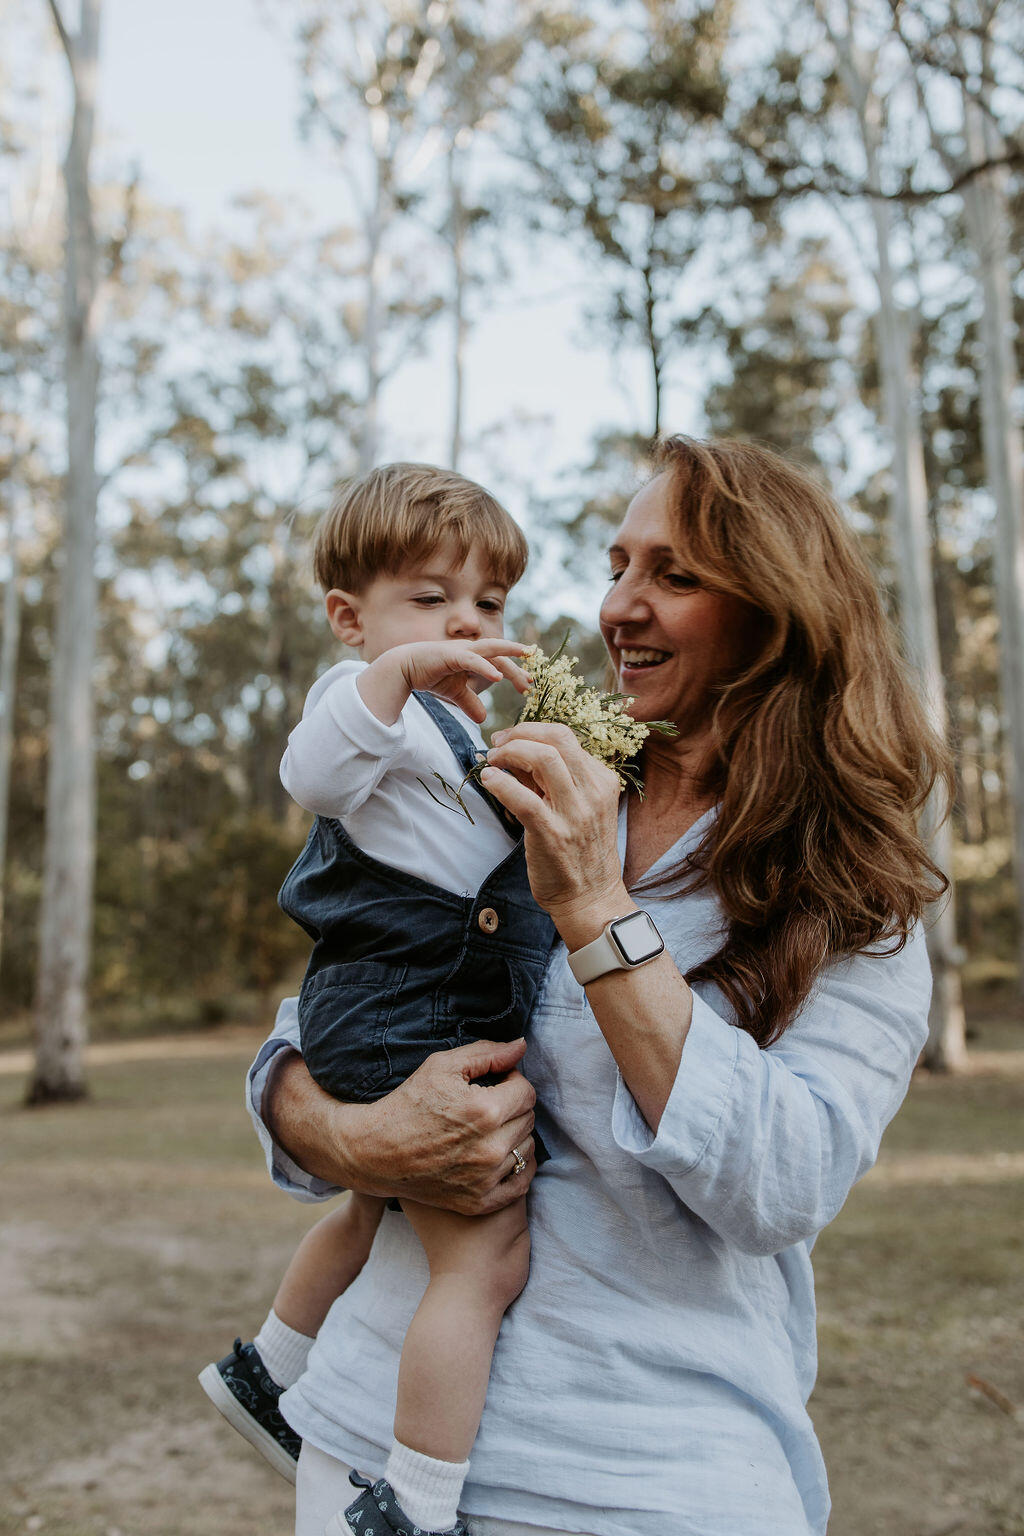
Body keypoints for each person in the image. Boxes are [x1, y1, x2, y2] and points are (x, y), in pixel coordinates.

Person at [248, 437, 950, 1536]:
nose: (619, 605)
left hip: (643, 1475)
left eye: (674, 574)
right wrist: (350, 1136)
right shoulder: (536, 775)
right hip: (368, 1441)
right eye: (618, 566)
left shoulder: (851, 898)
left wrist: (594, 905)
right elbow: (345, 1002)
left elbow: (781, 1185)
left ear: (775, 616)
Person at [201, 463, 557, 1535]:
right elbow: (312, 780)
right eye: (430, 597)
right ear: (350, 619)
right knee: (484, 1260)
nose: (466, 622)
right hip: (405, 1004)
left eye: (488, 601)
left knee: (372, 1207)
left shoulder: (449, 729)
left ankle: (268, 1370)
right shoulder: (360, 701)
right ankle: (416, 1500)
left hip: (412, 1003)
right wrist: (395, 675)